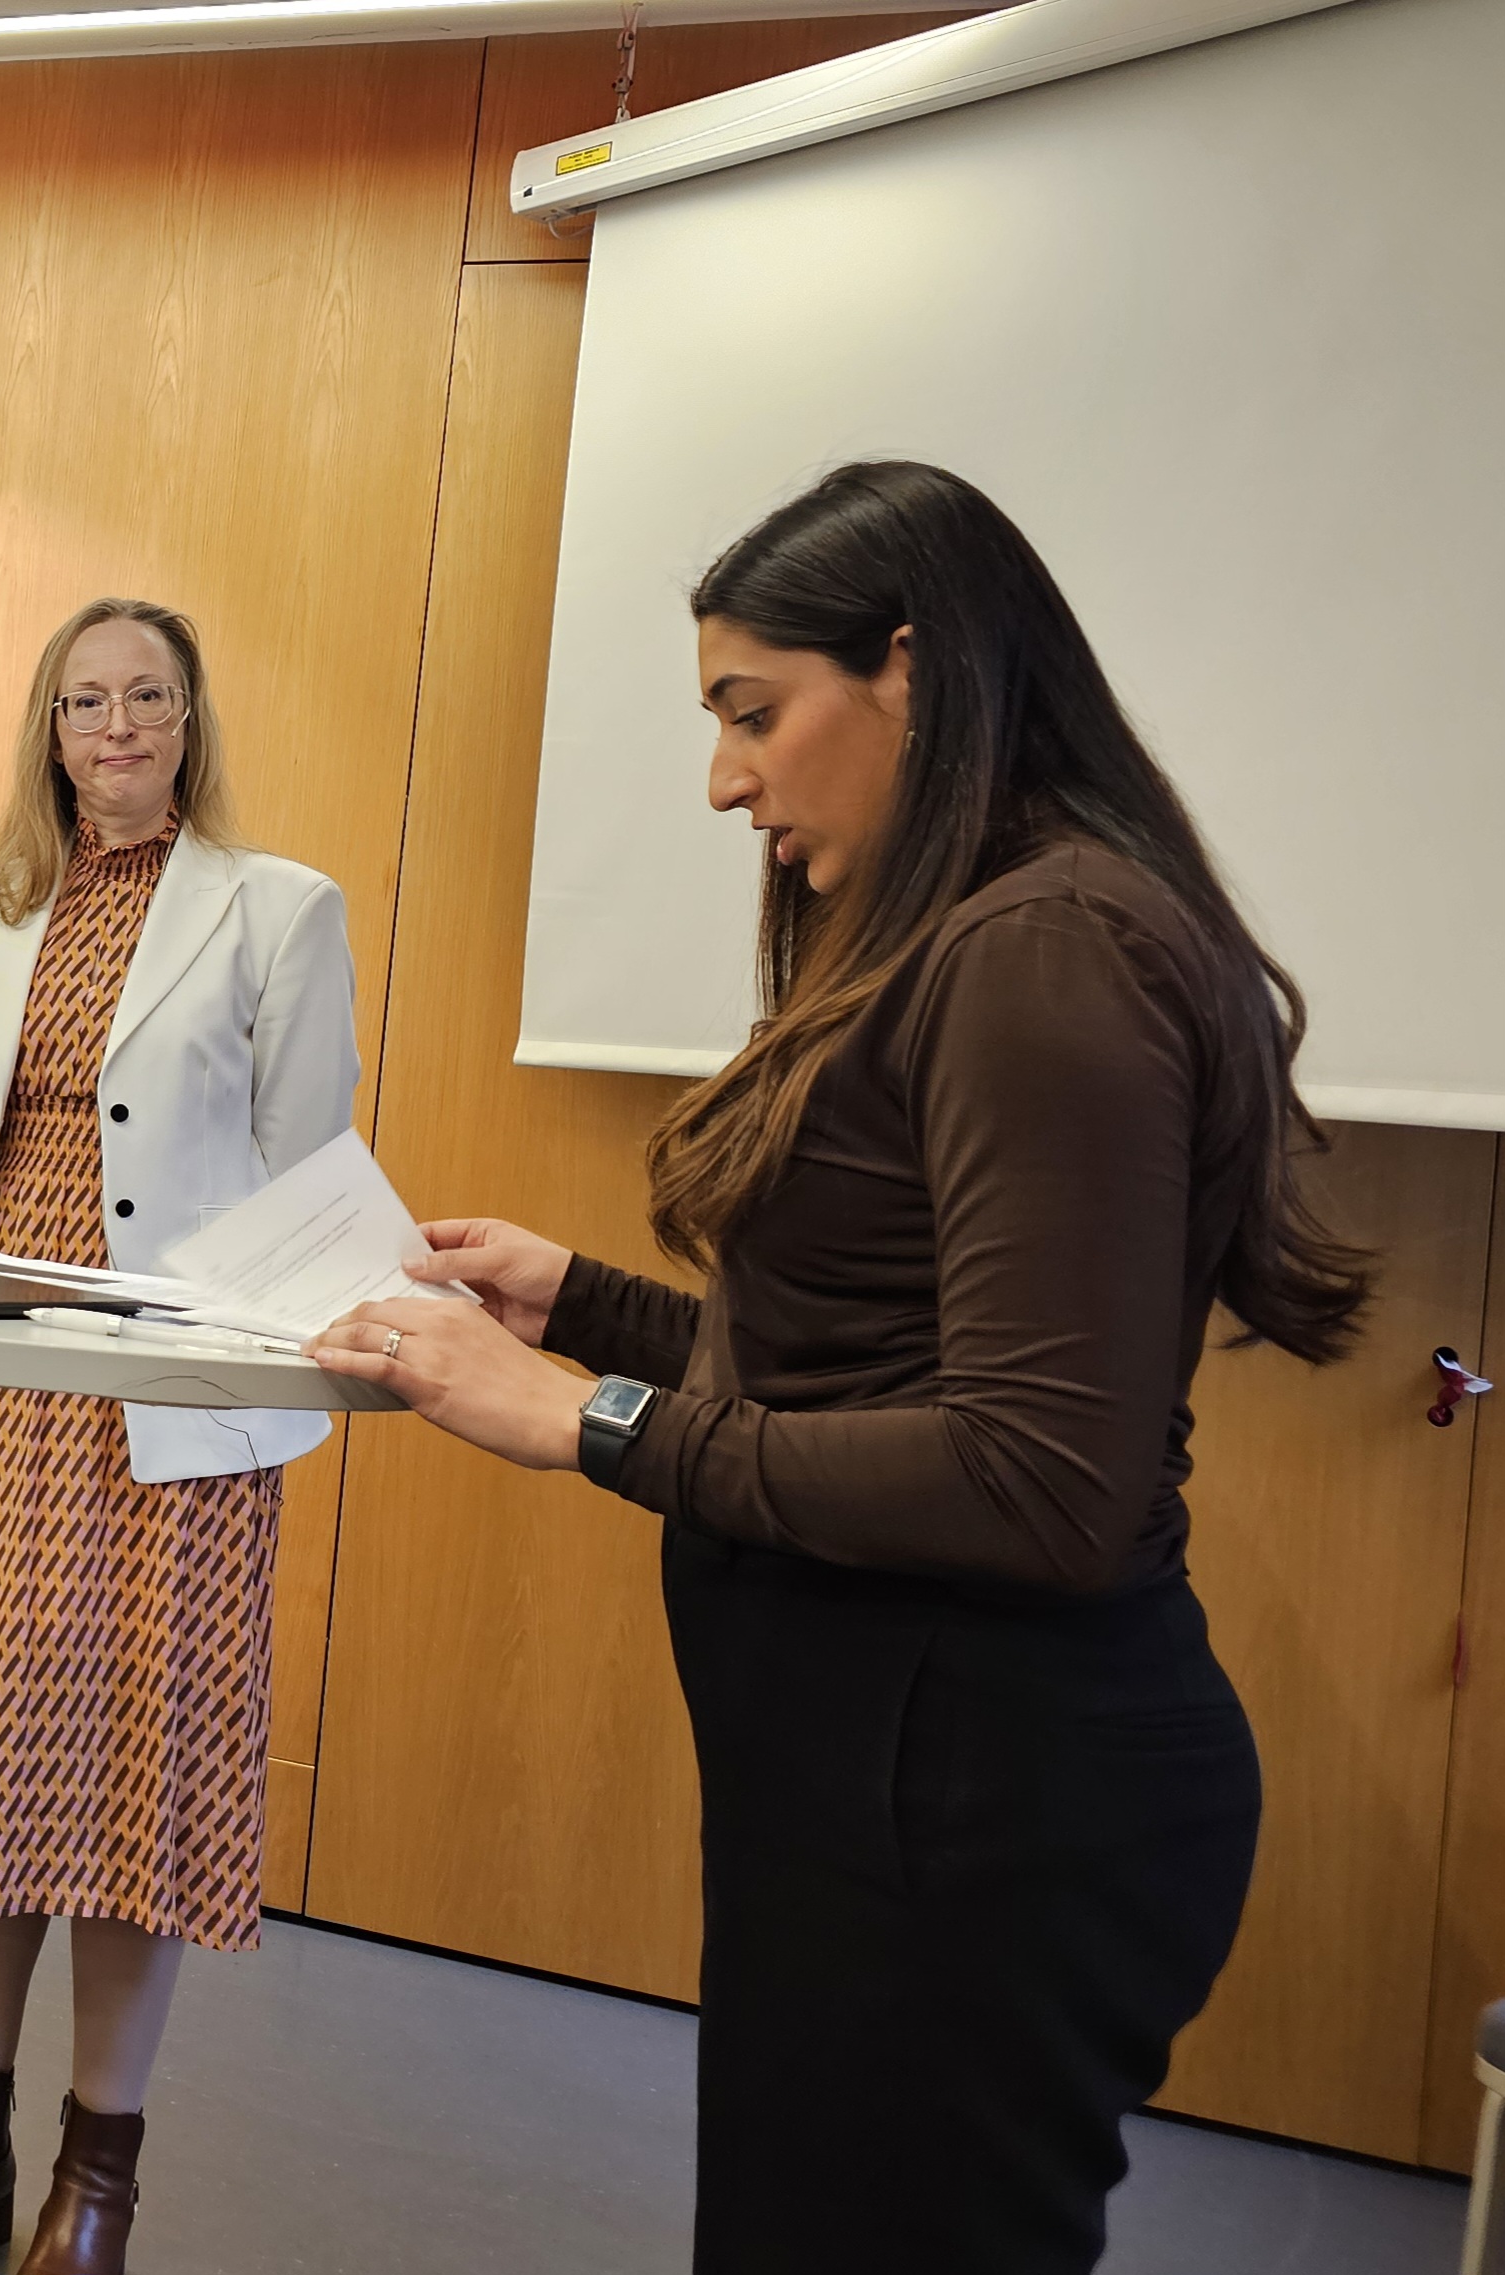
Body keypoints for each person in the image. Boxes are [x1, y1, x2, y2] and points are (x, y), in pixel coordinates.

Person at [311, 462, 1371, 2275]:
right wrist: (584, 1307)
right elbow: (874, 1364)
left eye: (753, 714)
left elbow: (1035, 1481)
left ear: (909, 667)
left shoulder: (1047, 951)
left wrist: (596, 1422)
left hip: (981, 1806)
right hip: (897, 1783)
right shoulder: (988, 932)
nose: (727, 779)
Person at [0, 598, 357, 2275]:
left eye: (147, 697)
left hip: (176, 1404)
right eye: (85, 700)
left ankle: (98, 2178)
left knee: (131, 1793)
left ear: (190, 719)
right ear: (49, 726)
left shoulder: (277, 910)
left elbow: (306, 1167)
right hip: (9, 1384)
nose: (116, 726)